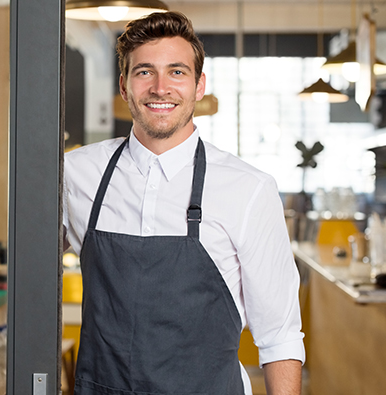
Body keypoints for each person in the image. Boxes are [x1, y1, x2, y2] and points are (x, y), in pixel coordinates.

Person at [62, 11, 305, 395]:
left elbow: (280, 335)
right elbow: (32, 272)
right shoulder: (75, 174)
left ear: (198, 85)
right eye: (144, 72)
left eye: (177, 72)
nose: (161, 88)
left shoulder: (248, 189)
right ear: (124, 87)